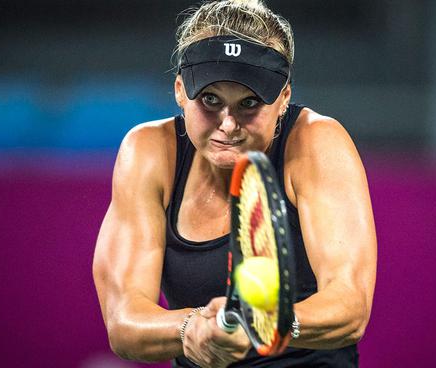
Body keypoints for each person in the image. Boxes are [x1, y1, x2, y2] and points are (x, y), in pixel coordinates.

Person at [92, 0, 377, 367]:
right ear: (180, 90)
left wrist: (267, 325)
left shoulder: (317, 142)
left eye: (250, 103)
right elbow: (123, 322)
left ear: (284, 98)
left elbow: (350, 305)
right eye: (210, 99)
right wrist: (191, 328)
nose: (228, 124)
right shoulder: (148, 151)